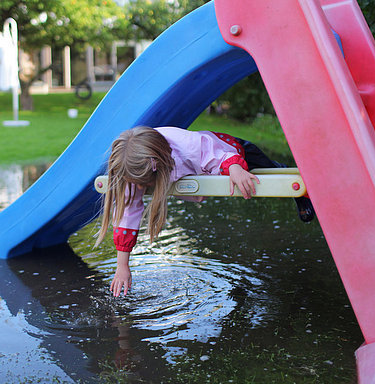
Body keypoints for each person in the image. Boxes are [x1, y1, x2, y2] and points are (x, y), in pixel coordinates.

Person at [95, 126, 314, 297]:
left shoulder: (191, 145)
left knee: (263, 167)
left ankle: (302, 196)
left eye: (144, 184)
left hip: (227, 151)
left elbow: (218, 155)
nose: (141, 189)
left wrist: (235, 168)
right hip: (188, 170)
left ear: (158, 166)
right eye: (138, 184)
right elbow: (127, 213)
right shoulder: (134, 168)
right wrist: (122, 266)